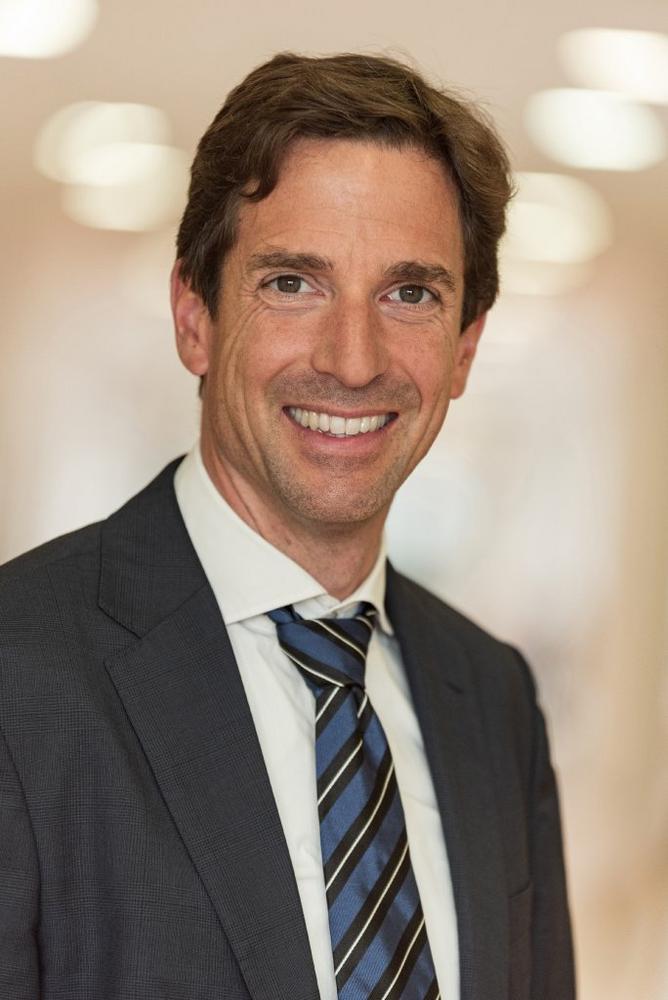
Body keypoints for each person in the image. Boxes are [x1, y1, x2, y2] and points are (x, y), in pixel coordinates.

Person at [0, 52, 575, 1000]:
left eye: (410, 294)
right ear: (194, 316)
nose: (353, 361)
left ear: (465, 348)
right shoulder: (22, 676)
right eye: (293, 283)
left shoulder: (493, 696)